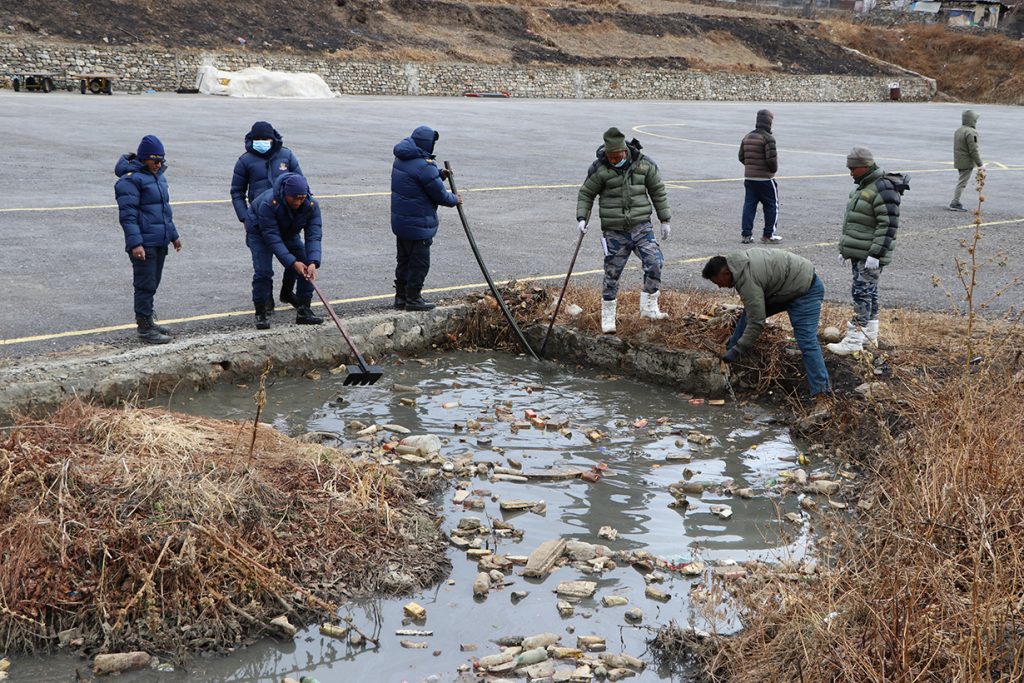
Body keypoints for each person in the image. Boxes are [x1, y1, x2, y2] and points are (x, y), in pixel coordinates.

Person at [576, 127, 672, 334]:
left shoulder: (644, 164)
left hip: (641, 226)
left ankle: (649, 307)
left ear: (624, 151)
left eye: (617, 156)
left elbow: (658, 191)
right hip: (614, 231)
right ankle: (608, 315)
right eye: (610, 157)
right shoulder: (599, 168)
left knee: (655, 262)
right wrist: (582, 217)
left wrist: (664, 219)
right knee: (612, 272)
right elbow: (586, 194)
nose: (613, 160)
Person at [702, 249, 830, 398]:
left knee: (807, 341)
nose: (719, 287)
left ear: (726, 273)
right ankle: (730, 347)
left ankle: (822, 393)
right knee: (750, 312)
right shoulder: (738, 264)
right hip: (785, 289)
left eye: (718, 282)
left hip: (806, 290)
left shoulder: (747, 280)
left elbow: (757, 322)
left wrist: (738, 350)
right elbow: (753, 312)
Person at [827, 147, 901, 355]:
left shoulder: (883, 188)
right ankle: (869, 335)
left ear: (865, 166)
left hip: (870, 254)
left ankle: (854, 340)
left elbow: (888, 224)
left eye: (853, 168)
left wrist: (876, 254)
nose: (850, 173)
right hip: (860, 252)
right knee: (870, 293)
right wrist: (846, 249)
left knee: (861, 294)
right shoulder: (864, 186)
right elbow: (856, 223)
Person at [115, 134, 182, 344]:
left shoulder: (158, 177)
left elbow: (164, 211)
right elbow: (128, 217)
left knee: (153, 283)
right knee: (144, 285)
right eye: (155, 161)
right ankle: (144, 328)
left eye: (161, 160)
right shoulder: (129, 181)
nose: (159, 165)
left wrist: (173, 235)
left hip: (160, 240)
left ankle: (150, 321)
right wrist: (136, 244)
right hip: (144, 243)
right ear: (144, 159)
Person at [231, 121, 304, 311]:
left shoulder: (286, 156)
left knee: (297, 258)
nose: (262, 142)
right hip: (259, 221)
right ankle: (266, 298)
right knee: (263, 268)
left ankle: (287, 292)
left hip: (286, 220)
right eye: (258, 139)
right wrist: (245, 217)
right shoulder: (245, 161)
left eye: (265, 139)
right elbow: (237, 192)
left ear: (272, 139)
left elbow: (302, 184)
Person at [390, 125, 462, 312]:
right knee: (419, 263)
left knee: (404, 261)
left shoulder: (401, 159)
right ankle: (413, 299)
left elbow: (418, 179)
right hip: (418, 225)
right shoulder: (425, 166)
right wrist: (455, 199)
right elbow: (440, 195)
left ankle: (401, 298)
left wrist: (439, 174)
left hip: (401, 223)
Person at [245, 172, 323, 329]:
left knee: (306, 265)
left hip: (288, 232)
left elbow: (314, 236)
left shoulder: (311, 206)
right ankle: (261, 312)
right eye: (294, 198)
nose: (298, 202)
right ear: (286, 194)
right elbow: (272, 237)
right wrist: (293, 262)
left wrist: (313, 262)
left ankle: (304, 311)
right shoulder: (269, 203)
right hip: (260, 233)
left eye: (302, 198)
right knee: (264, 271)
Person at [738, 109, 782, 244]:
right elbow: (771, 161)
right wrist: (772, 171)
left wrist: (751, 167)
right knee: (772, 205)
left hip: (749, 178)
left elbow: (741, 157)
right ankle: (768, 234)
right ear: (769, 122)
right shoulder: (768, 138)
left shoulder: (747, 137)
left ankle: (746, 235)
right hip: (765, 179)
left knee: (749, 206)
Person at [949, 109, 983, 212]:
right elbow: (973, 150)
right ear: (972, 120)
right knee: (962, 183)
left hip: (959, 160)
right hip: (966, 162)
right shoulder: (971, 132)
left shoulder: (959, 130)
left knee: (961, 181)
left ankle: (955, 201)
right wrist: (980, 164)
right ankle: (955, 202)